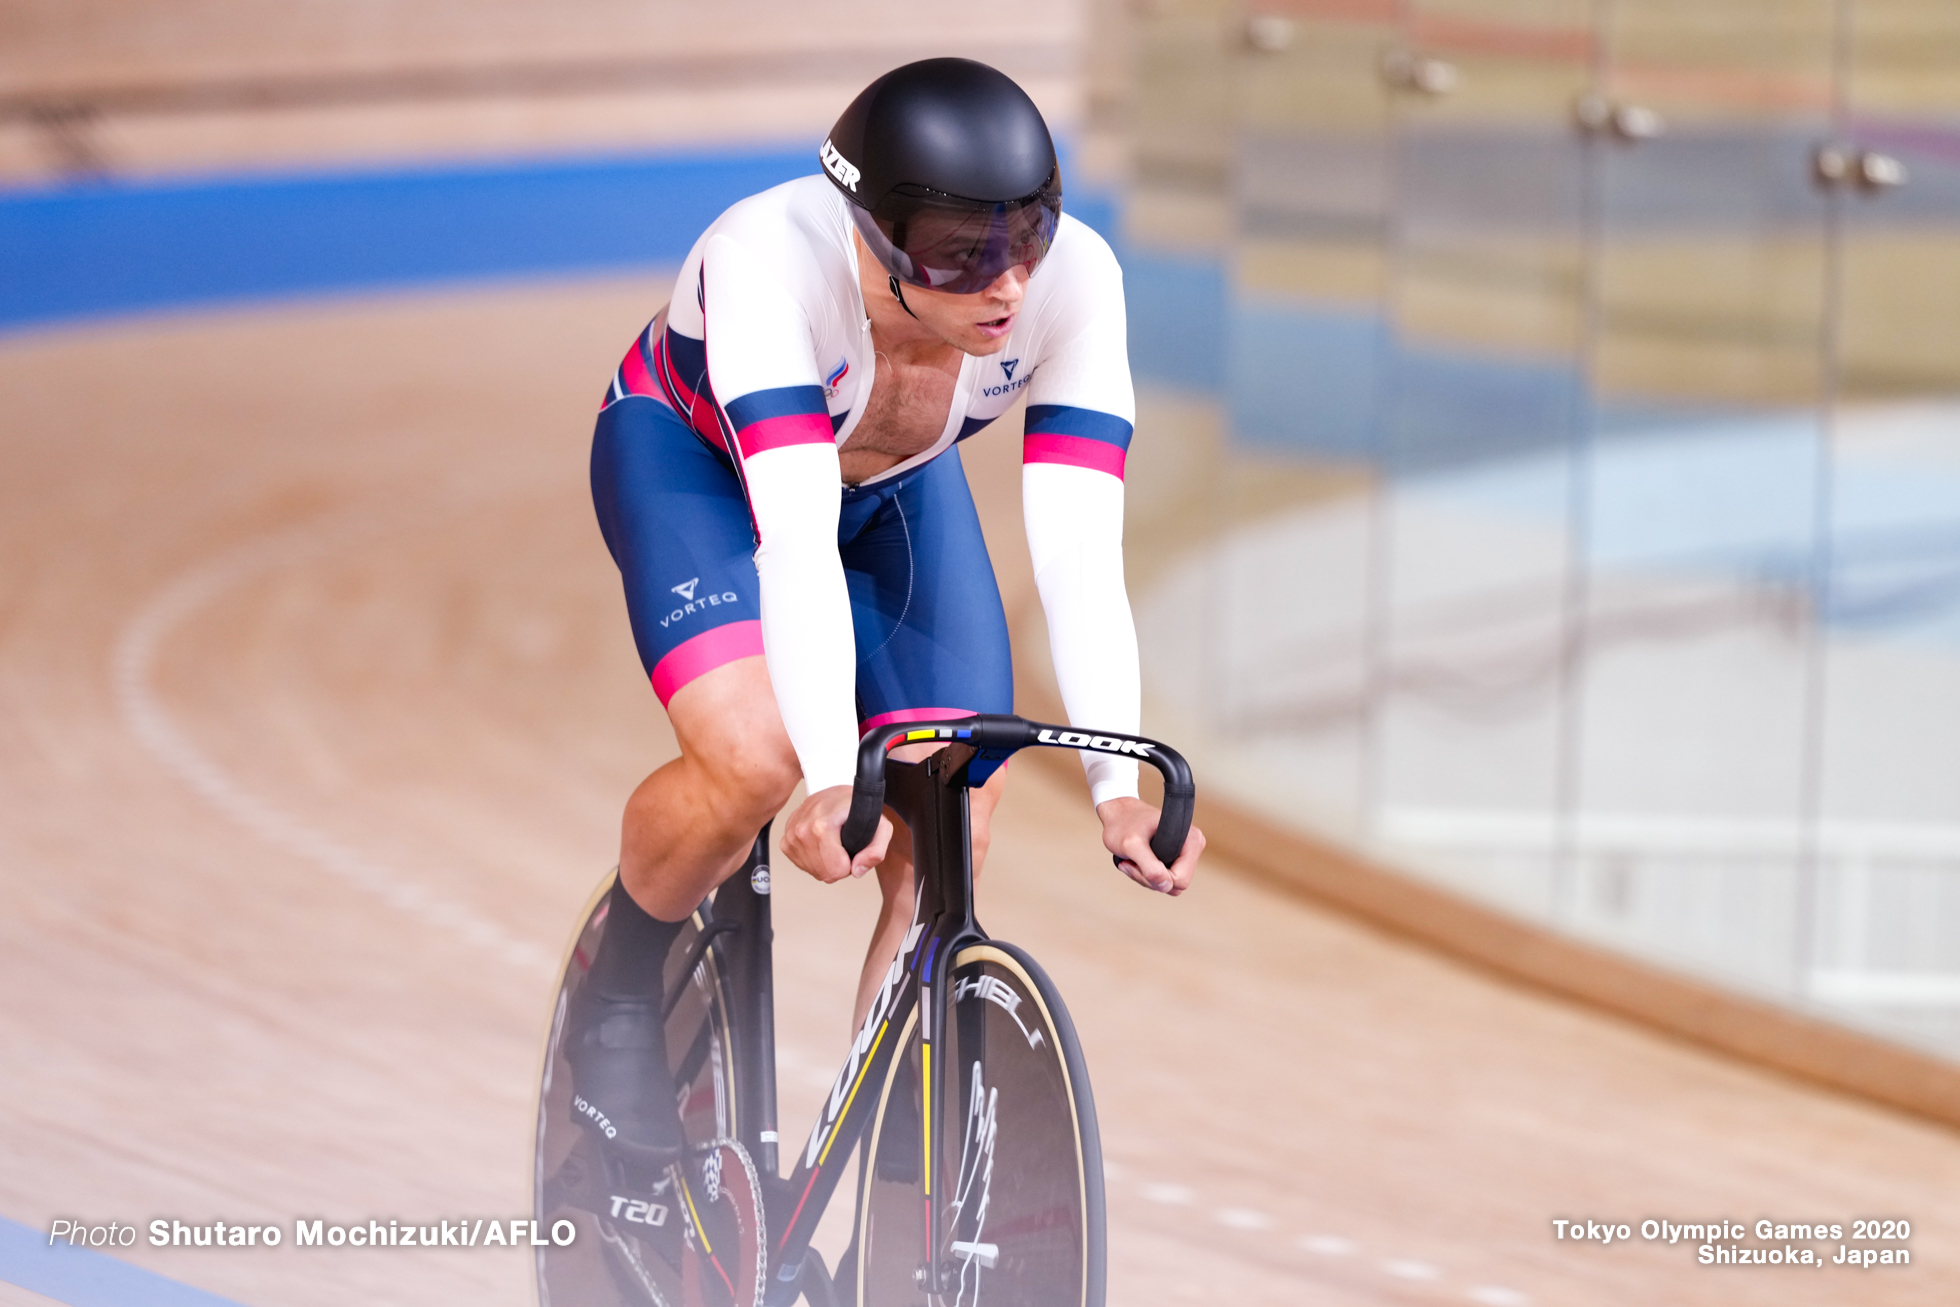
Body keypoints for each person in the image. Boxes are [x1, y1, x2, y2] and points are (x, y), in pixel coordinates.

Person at [575, 57, 1204, 1177]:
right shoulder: (766, 261)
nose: (1005, 284)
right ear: (873, 233)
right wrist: (826, 769)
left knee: (949, 803)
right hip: (703, 471)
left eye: (1029, 236)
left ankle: (887, 1131)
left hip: (894, 487)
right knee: (754, 761)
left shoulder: (1079, 281)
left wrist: (1117, 784)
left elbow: (1076, 547)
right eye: (962, 253)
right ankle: (620, 990)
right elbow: (796, 541)